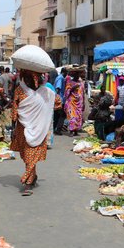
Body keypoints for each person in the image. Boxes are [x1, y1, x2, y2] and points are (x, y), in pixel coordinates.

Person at [11, 67, 61, 196]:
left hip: (39, 128)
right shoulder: (19, 90)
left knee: (30, 154)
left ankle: (28, 181)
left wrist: (43, 110)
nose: (29, 81)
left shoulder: (46, 92)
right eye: (26, 78)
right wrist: (13, 128)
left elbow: (58, 103)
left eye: (31, 78)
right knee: (27, 155)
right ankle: (33, 175)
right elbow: (14, 110)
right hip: (23, 127)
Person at [64, 70, 85, 137]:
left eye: (78, 74)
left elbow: (83, 93)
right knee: (72, 117)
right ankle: (71, 130)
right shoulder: (70, 82)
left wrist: (84, 102)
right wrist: (73, 88)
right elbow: (66, 93)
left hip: (79, 103)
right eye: (76, 74)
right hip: (71, 102)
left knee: (78, 117)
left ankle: (76, 131)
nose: (77, 76)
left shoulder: (81, 83)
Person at [53, 68, 67, 135]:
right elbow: (58, 88)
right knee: (62, 115)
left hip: (57, 99)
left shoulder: (58, 77)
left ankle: (54, 128)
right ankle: (58, 129)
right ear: (64, 72)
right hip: (60, 100)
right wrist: (58, 99)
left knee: (57, 115)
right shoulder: (61, 78)